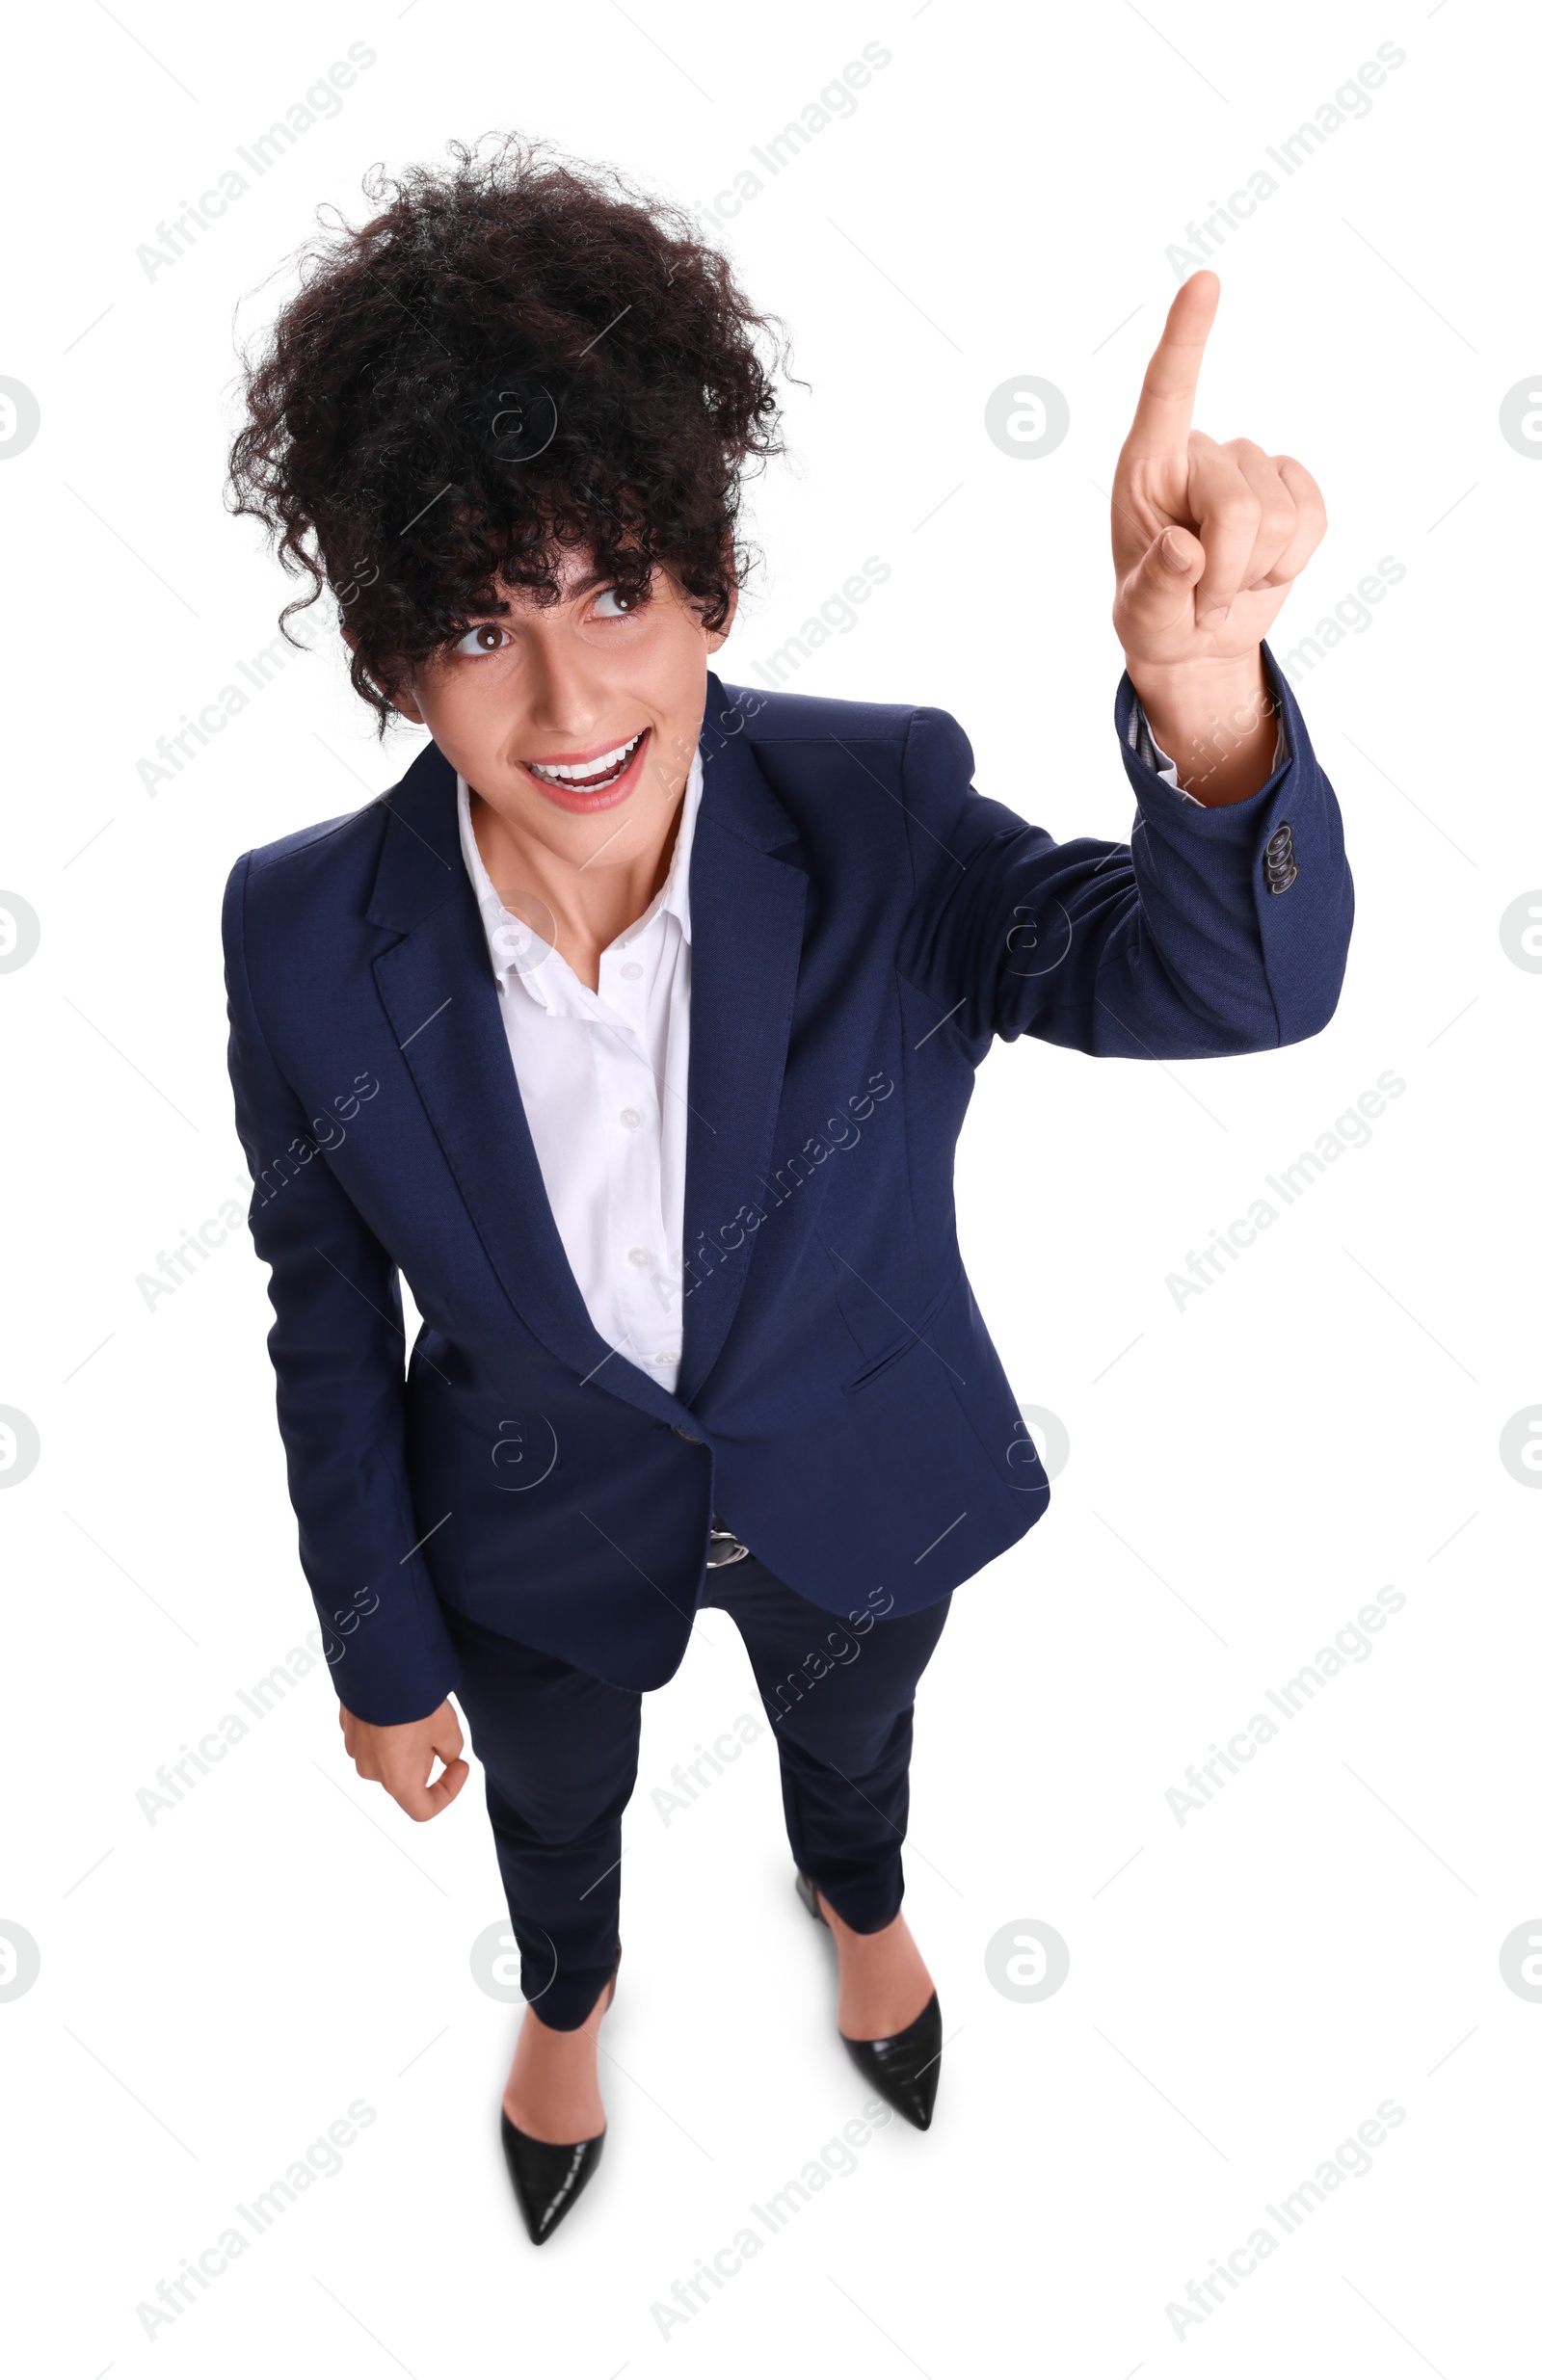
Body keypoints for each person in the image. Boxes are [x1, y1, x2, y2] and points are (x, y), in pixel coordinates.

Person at [221, 135, 1351, 2243]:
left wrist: (1204, 695)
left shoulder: (878, 805)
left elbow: (1222, 988)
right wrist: (377, 1651)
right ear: (391, 655)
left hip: (857, 1471)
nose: (569, 700)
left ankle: (860, 1899)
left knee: (856, 1740)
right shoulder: (297, 934)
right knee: (554, 1811)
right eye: (478, 621)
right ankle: (567, 1993)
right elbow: (317, 1312)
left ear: (711, 582)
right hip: (531, 1530)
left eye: (614, 588)